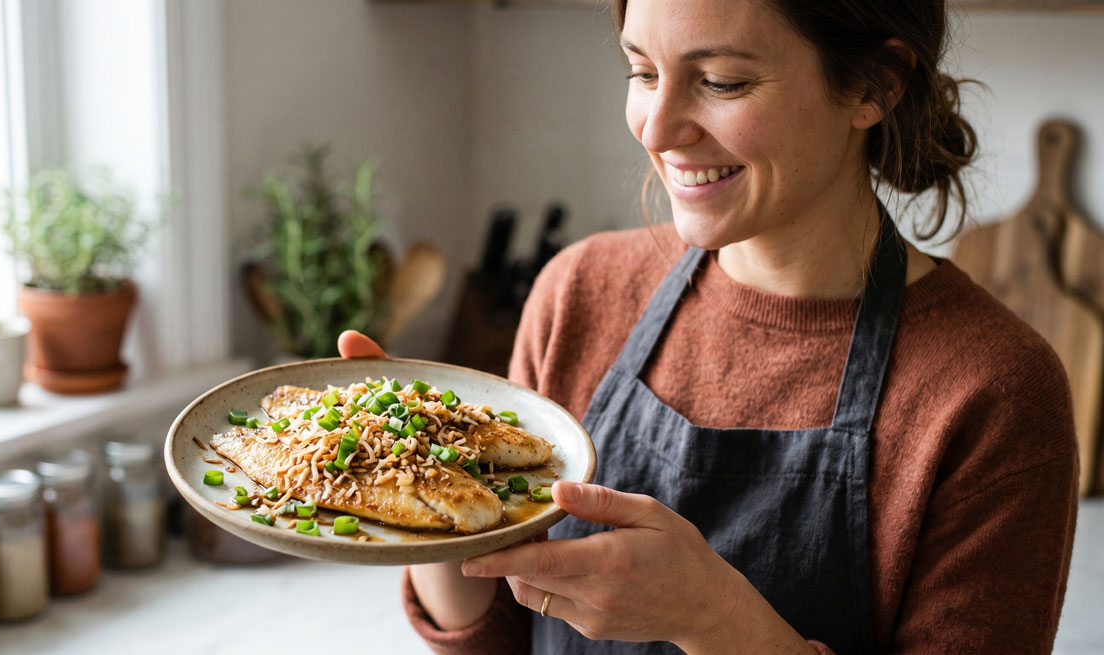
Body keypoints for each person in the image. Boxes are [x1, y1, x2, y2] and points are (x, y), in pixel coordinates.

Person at [339, 0, 1078, 652]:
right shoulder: (579, 293)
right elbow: (501, 638)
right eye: (643, 72)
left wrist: (715, 619)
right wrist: (416, 479)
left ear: (873, 84)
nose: (657, 129)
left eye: (721, 81)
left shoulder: (995, 391)